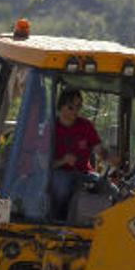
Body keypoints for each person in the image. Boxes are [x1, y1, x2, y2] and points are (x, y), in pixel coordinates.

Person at [51, 88, 101, 220]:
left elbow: (98, 148)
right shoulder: (50, 128)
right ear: (61, 107)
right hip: (58, 172)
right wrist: (63, 161)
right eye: (71, 107)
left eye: (78, 107)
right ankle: (57, 221)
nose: (75, 111)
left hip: (83, 173)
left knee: (105, 189)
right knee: (61, 188)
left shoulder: (85, 126)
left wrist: (110, 157)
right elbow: (43, 164)